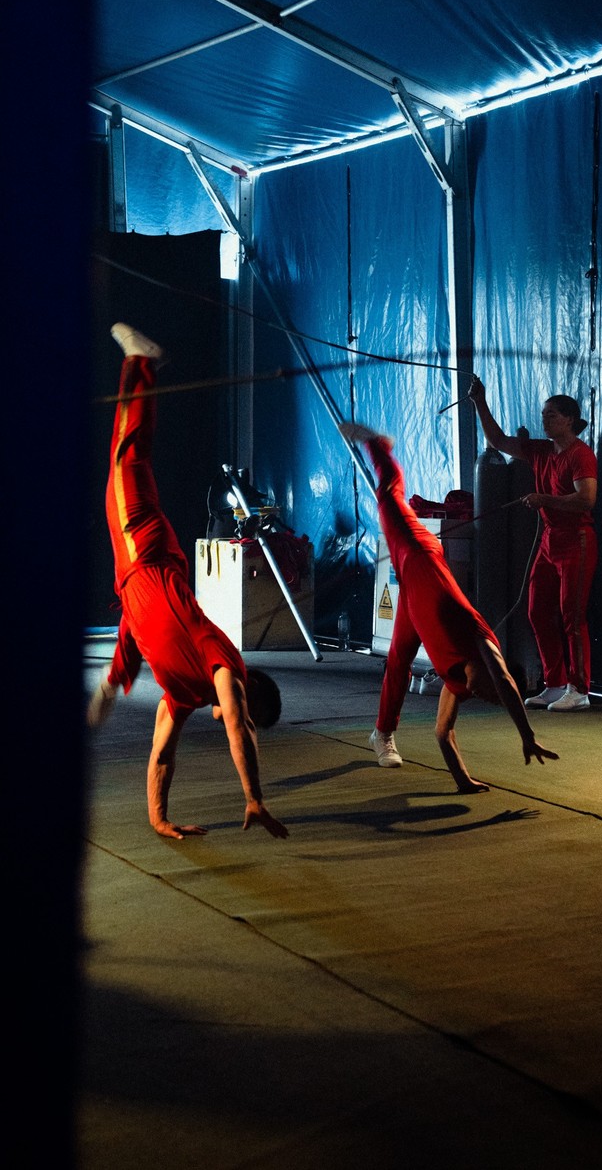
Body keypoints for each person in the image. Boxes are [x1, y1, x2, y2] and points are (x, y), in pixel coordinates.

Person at [86, 323, 289, 842]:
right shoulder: (221, 661)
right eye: (241, 705)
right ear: (244, 691)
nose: (230, 714)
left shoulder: (182, 695)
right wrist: (253, 797)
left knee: (126, 463)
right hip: (146, 555)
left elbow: (161, 752)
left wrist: (158, 816)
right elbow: (239, 727)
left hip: (140, 574)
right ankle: (141, 361)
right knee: (127, 459)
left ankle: (141, 364)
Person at [339, 422, 558, 793]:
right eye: (493, 693)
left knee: (398, 661)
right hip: (418, 550)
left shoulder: (458, 685)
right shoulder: (480, 640)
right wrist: (527, 734)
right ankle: (379, 446)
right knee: (390, 495)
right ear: (494, 674)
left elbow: (444, 734)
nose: (485, 697)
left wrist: (464, 783)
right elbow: (505, 682)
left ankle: (382, 733)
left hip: (414, 596)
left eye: (485, 698)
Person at [468, 376, 597, 712]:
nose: (545, 419)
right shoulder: (539, 450)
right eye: (544, 414)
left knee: (572, 615)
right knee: (537, 611)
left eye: (552, 415)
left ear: (570, 419)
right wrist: (480, 402)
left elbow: (587, 500)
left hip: (576, 542)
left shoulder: (580, 455)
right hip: (549, 541)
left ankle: (579, 690)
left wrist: (545, 499)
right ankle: (555, 684)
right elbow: (496, 439)